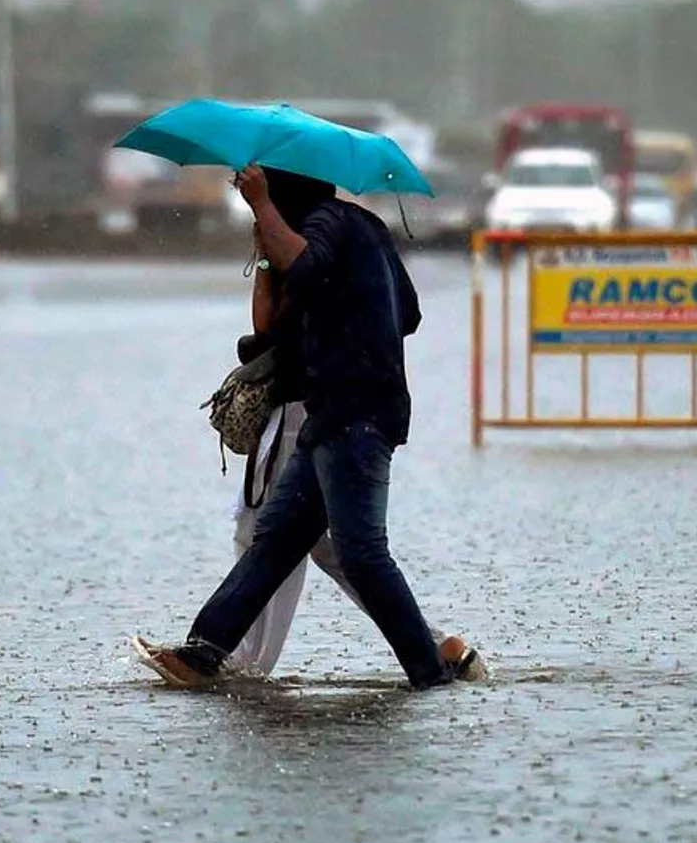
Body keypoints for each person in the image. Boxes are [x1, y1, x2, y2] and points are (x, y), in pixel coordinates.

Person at [137, 165, 472, 690]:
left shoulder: (333, 223)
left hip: (358, 414)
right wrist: (270, 245)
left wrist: (262, 207)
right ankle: (202, 654)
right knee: (275, 540)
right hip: (330, 413)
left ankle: (431, 672)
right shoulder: (352, 234)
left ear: (284, 190)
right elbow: (279, 324)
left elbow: (317, 267)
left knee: (360, 554)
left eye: (270, 191)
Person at [227, 261, 484, 680]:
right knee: (328, 544)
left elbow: (268, 327)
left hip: (304, 411)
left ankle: (239, 659)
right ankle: (433, 643)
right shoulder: (347, 249)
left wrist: (264, 262)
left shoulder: (305, 244)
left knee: (271, 535)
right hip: (328, 408)